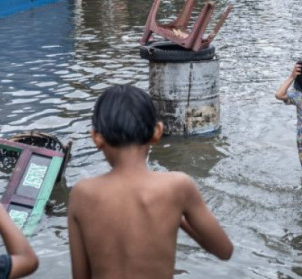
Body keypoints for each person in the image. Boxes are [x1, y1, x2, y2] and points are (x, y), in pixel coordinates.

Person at [68, 85, 233, 278]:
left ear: (96, 137)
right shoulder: (178, 187)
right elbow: (224, 250)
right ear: (157, 131)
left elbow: (80, 275)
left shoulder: (82, 194)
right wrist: (178, 217)